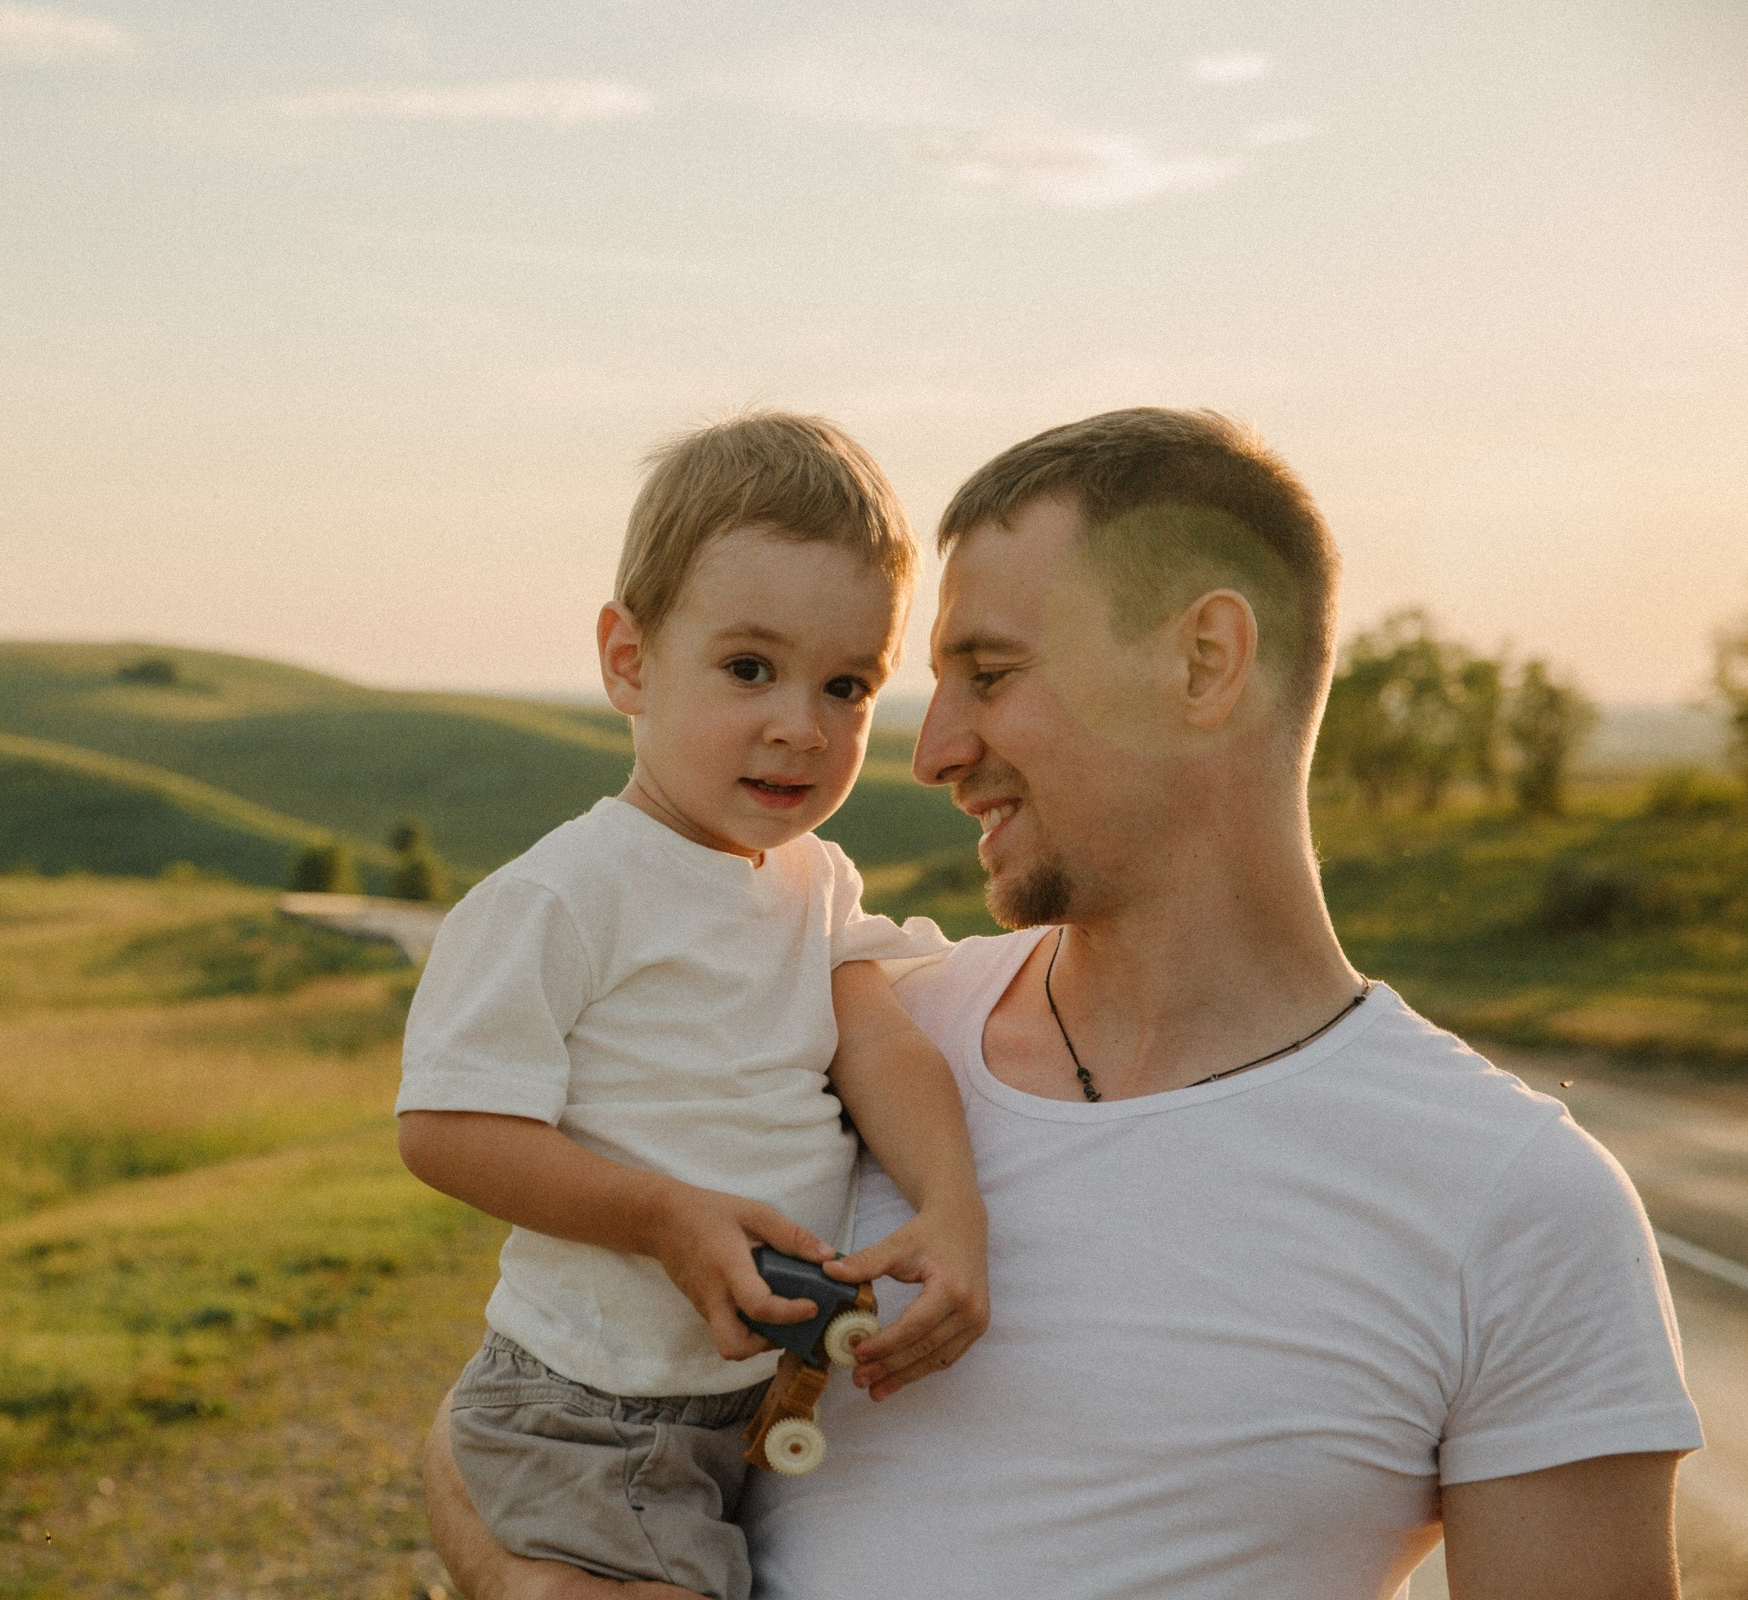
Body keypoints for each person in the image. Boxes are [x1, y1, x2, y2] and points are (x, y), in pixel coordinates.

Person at [422, 407, 1702, 1600]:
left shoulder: (1521, 1208)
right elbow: (520, 1421)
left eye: (988, 673)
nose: (928, 754)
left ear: (1207, 663)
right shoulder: (842, 1026)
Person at [395, 412, 994, 1600]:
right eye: (748, 668)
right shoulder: (564, 893)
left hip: (746, 1404)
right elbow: (447, 1127)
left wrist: (953, 1204)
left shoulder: (817, 884)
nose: (799, 725)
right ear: (629, 659)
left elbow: (879, 1042)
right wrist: (664, 1216)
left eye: (846, 684)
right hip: (583, 1409)